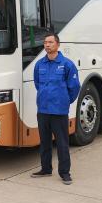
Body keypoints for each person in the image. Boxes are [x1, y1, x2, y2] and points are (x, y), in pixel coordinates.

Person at [31, 33, 80, 185]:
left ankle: (65, 172)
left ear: (58, 45)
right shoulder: (39, 64)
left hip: (59, 111)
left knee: (62, 143)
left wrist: (64, 100)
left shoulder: (67, 65)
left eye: (50, 42)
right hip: (43, 110)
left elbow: (74, 87)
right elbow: (38, 84)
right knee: (44, 142)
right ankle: (45, 169)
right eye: (45, 42)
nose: (47, 45)